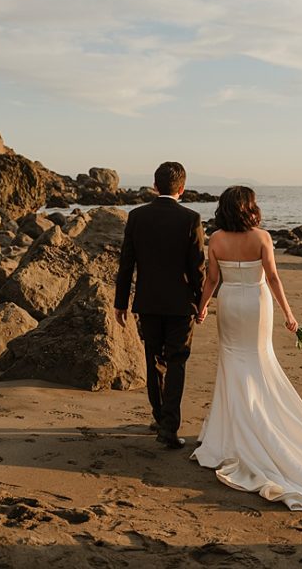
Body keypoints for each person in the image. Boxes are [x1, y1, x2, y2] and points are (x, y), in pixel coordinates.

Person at [190, 186, 302, 510]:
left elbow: (211, 280)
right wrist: (289, 313)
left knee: (231, 362)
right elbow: (272, 278)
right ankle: (259, 422)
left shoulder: (215, 239)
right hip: (257, 304)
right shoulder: (262, 238)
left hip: (229, 304)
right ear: (249, 207)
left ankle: (230, 434)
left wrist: (202, 307)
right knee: (259, 360)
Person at [114, 162, 205, 449]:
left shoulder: (137, 217)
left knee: (154, 359)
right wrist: (202, 301)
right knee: (176, 361)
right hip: (180, 304)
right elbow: (197, 267)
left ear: (155, 186)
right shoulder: (191, 218)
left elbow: (127, 262)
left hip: (148, 301)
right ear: (182, 188)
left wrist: (121, 303)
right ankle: (169, 426)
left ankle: (159, 416)